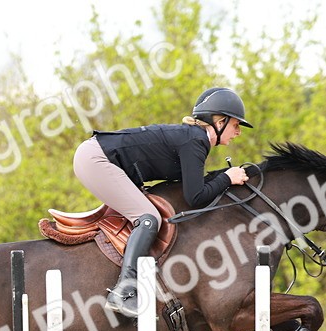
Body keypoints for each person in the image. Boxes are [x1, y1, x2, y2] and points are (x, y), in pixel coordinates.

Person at [72, 87, 253, 317]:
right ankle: (124, 291)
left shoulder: (194, 139)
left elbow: (193, 186)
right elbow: (195, 197)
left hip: (99, 156)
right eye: (236, 125)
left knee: (147, 214)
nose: (238, 132)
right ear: (220, 121)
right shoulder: (195, 141)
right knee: (148, 219)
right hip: (96, 159)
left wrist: (223, 178)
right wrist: (227, 177)